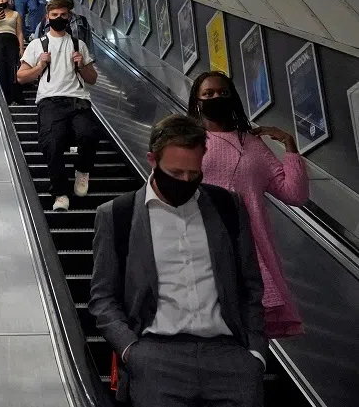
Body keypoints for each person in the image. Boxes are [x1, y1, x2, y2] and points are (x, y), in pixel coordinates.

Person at [89, 114, 267, 407]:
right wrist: (131, 350)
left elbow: (250, 283)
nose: (185, 181)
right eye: (175, 173)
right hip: (156, 359)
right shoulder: (117, 215)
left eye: (193, 174)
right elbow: (102, 296)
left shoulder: (227, 206)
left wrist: (256, 352)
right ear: (152, 159)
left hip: (230, 358)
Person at [188, 71, 308, 338]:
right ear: (197, 101)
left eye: (223, 93)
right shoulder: (188, 143)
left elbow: (294, 194)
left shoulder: (252, 145)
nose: (216, 98)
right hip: (200, 246)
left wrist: (290, 147)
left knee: (248, 333)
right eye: (208, 94)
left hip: (250, 251)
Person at [17, 0, 99, 211]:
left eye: (63, 15)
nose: (59, 18)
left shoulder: (78, 44)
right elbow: (21, 77)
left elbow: (93, 78)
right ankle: (61, 193)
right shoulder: (37, 45)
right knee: (52, 145)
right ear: (47, 17)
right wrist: (40, 65)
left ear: (69, 17)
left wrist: (81, 65)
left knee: (88, 135)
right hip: (50, 102)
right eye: (54, 15)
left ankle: (82, 170)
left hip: (78, 100)